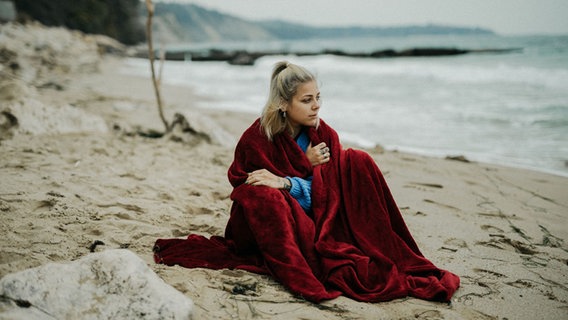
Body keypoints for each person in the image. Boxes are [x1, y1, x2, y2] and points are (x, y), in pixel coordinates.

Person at [154, 61, 460, 303]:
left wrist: (289, 180)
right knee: (263, 196)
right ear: (284, 105)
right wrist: (301, 170)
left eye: (318, 98)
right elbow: (246, 189)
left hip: (315, 219)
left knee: (357, 160)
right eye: (307, 100)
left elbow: (329, 197)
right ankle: (299, 273)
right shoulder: (257, 139)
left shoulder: (323, 135)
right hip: (263, 227)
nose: (317, 106)